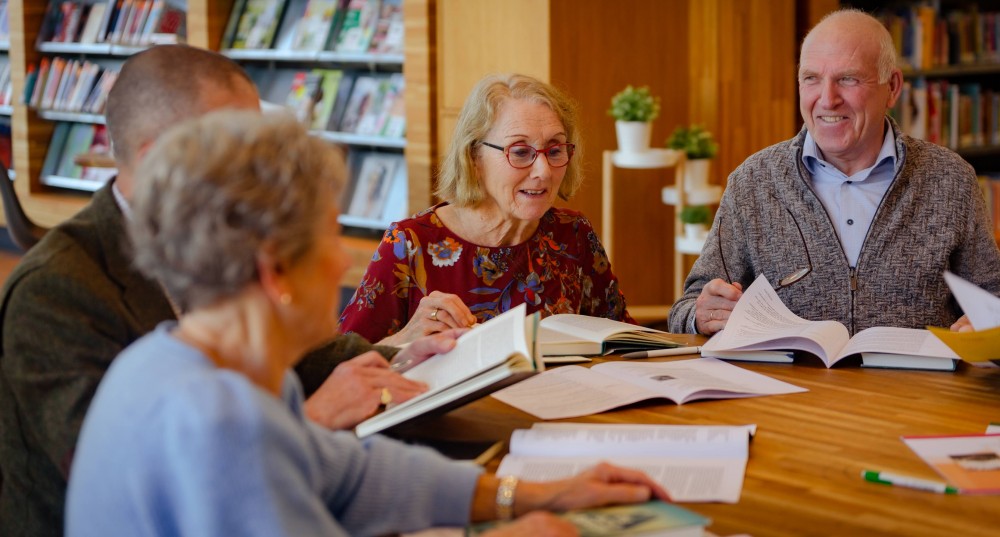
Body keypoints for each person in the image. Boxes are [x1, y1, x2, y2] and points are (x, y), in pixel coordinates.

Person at [65, 110, 670, 536]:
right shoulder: (221, 422)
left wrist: (534, 495)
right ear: (274, 270)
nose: (339, 261)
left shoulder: (193, 364)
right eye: (327, 237)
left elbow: (352, 475)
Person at [0, 45, 433, 537]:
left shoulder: (214, 234)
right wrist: (306, 421)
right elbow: (133, 473)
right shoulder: (53, 290)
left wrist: (394, 354)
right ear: (158, 157)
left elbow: (282, 341)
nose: (263, 166)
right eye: (236, 144)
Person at [667, 9, 1000, 336]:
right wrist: (703, 315)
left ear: (893, 87)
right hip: (790, 390)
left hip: (915, 391)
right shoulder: (753, 182)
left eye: (848, 79)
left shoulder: (950, 180)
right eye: (811, 78)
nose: (827, 99)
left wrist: (987, 325)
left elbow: (992, 298)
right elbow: (686, 309)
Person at [340, 73, 634, 346]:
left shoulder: (573, 234)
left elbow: (620, 337)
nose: (543, 171)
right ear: (473, 158)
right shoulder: (409, 243)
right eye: (520, 152)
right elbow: (340, 369)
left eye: (554, 150)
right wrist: (407, 338)